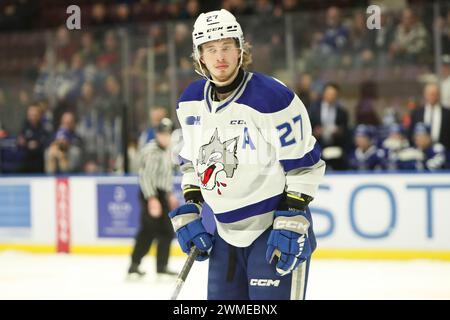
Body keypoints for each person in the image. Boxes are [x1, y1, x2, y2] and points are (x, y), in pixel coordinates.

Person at [169, 9, 325, 300]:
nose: (220, 57)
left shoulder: (272, 97)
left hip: (273, 229)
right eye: (211, 49)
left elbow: (304, 166)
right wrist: (191, 205)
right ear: (199, 56)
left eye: (227, 46)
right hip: (224, 234)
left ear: (241, 49)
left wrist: (291, 216)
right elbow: (192, 162)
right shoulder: (190, 102)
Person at [128, 118, 179, 278]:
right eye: (162, 133)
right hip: (150, 193)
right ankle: (134, 265)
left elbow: (167, 175)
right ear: (157, 134)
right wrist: (152, 199)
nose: (165, 137)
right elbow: (145, 177)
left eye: (168, 134)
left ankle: (161, 266)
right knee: (148, 231)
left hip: (161, 194)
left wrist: (169, 194)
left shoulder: (169, 150)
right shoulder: (151, 151)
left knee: (165, 231)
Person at [309, 82, 349, 170]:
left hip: (335, 146)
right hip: (318, 145)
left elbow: (346, 131)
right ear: (324, 94)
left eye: (333, 94)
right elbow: (307, 128)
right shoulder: (313, 109)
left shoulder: (342, 112)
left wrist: (339, 132)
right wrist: (315, 133)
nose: (331, 96)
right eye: (329, 94)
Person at [409, 83, 450, 151]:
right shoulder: (417, 113)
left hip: (444, 153)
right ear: (425, 95)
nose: (432, 96)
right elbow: (411, 133)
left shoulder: (447, 113)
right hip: (420, 152)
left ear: (439, 95)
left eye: (434, 94)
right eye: (430, 94)